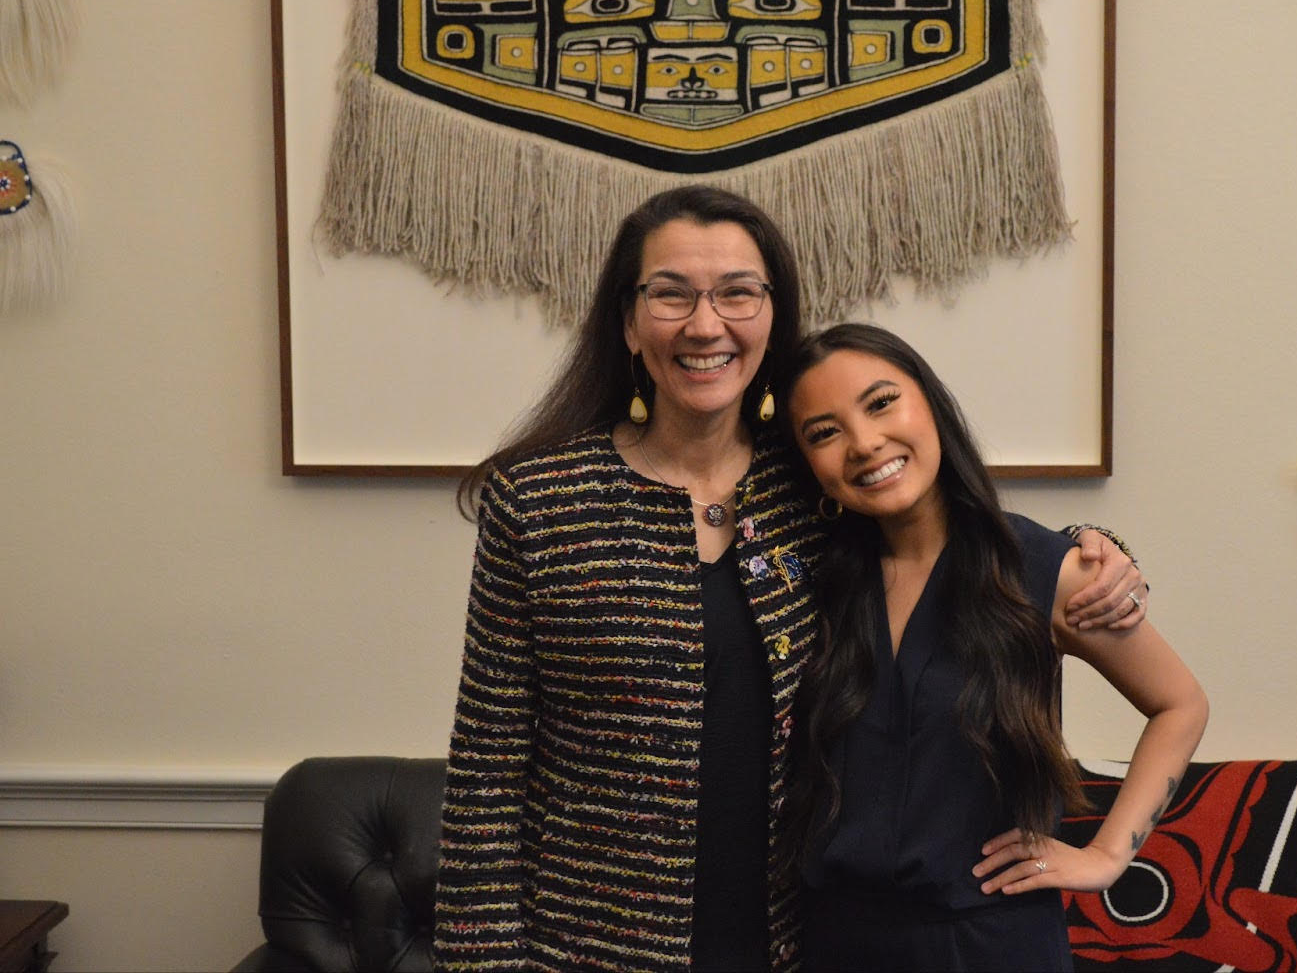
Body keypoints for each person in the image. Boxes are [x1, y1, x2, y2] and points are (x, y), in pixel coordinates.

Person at [434, 186, 1151, 972]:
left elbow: (953, 533)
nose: (705, 324)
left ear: (773, 318)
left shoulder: (815, 482)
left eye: (737, 293)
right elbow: (486, 777)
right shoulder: (539, 502)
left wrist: (1092, 545)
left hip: (799, 944)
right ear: (629, 322)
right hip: (585, 949)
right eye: (671, 294)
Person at [780, 322, 1209, 972]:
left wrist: (1107, 857)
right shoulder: (808, 582)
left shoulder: (1041, 566)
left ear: (930, 402)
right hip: (833, 943)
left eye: (881, 402)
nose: (865, 443)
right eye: (824, 432)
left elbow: (1181, 703)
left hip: (989, 945)